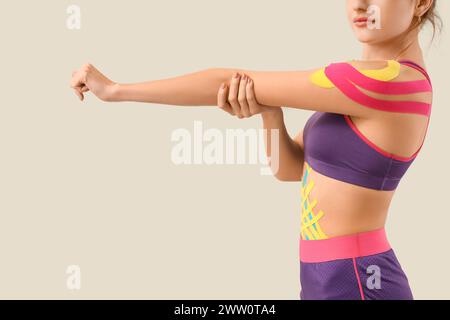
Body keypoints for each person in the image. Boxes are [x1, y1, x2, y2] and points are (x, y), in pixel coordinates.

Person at [70, 0, 442, 300]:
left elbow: (229, 80)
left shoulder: (389, 82)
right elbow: (290, 169)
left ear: (422, 2)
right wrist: (269, 114)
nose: (361, 4)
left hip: (358, 279)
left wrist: (117, 90)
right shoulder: (369, 83)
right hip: (323, 276)